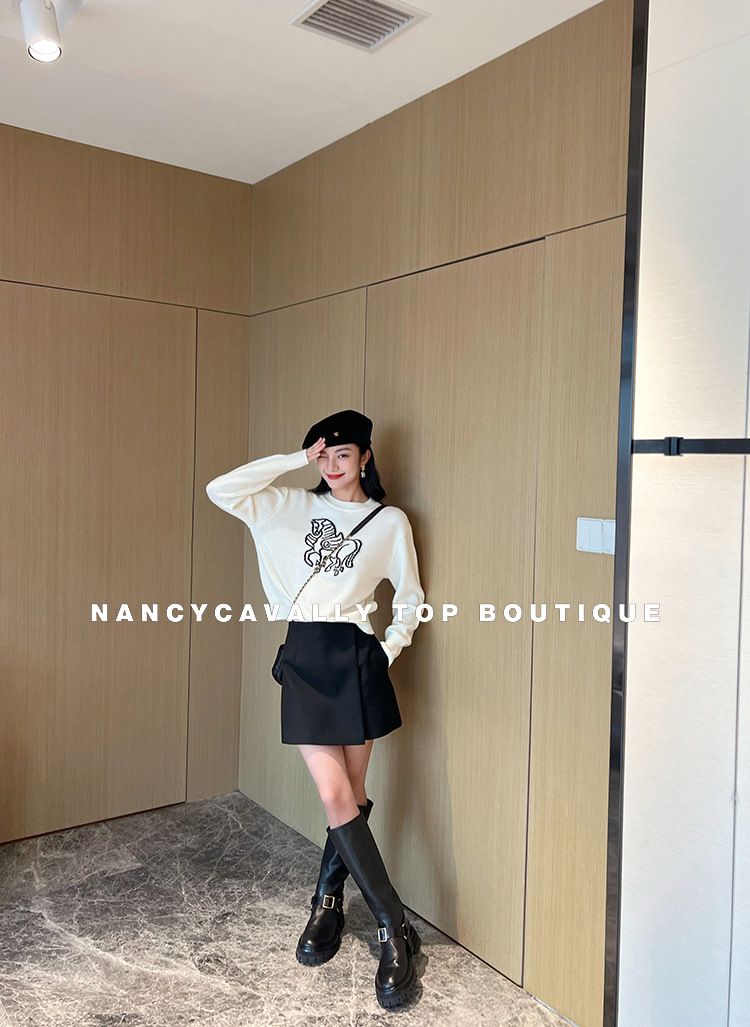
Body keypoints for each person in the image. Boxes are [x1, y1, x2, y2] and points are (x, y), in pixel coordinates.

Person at [205, 409, 426, 1010]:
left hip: (357, 658)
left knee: (351, 794)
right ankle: (393, 928)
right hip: (305, 656)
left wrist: (386, 651)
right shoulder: (286, 506)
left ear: (366, 457)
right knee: (334, 795)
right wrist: (293, 461)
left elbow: (410, 596)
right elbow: (221, 489)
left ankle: (327, 904)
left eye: (342, 455)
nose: (331, 466)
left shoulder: (389, 522)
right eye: (322, 456)